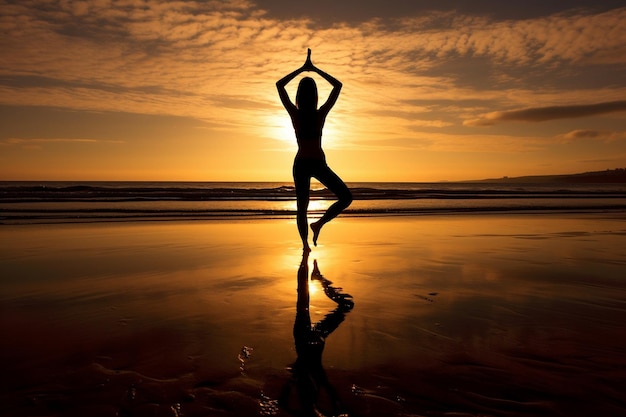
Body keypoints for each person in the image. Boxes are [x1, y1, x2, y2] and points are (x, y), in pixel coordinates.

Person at [277, 49, 352, 252]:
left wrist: (303, 69)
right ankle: (306, 242)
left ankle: (313, 232)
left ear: (299, 96)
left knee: (306, 207)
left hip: (306, 163)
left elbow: (279, 85)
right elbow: (337, 86)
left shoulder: (297, 113)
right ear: (314, 96)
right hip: (311, 163)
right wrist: (313, 69)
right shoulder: (318, 113)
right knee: (341, 198)